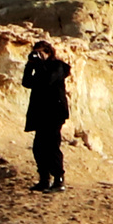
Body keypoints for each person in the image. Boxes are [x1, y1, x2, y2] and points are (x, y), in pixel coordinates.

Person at [21, 41, 70, 191]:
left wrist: (40, 64)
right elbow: (27, 83)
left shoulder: (58, 66)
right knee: (38, 148)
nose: (38, 55)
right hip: (41, 113)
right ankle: (44, 180)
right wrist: (30, 65)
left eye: (40, 52)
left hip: (54, 112)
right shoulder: (38, 68)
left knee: (52, 146)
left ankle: (58, 180)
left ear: (48, 52)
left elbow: (48, 80)